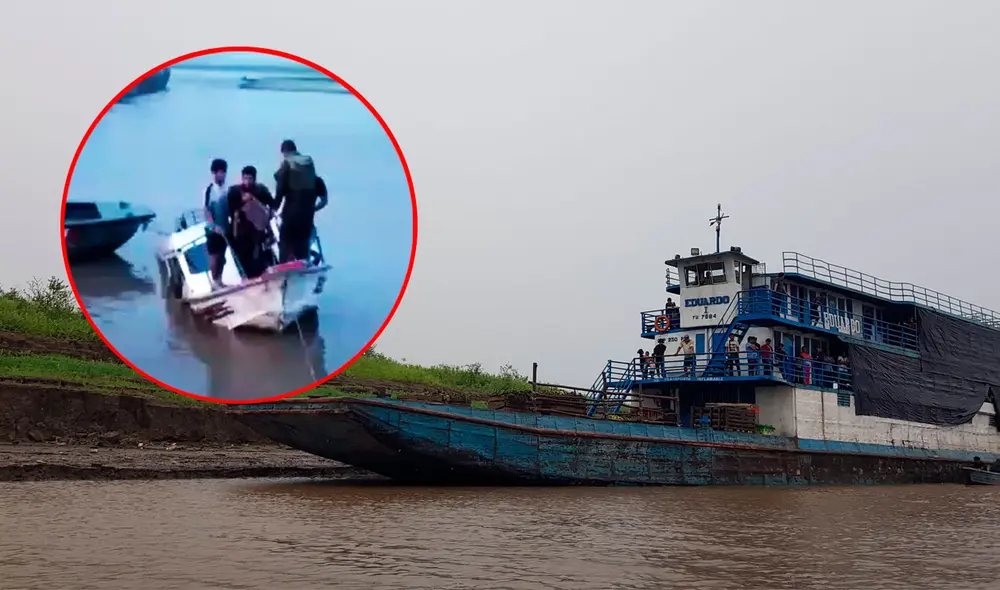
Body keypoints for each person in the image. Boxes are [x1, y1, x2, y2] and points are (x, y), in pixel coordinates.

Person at [273, 139, 324, 262]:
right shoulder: (313, 178)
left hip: (290, 216)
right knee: (302, 247)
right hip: (307, 218)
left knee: (285, 242)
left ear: (284, 152)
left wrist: (273, 209)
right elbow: (324, 201)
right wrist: (313, 209)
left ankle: (285, 270)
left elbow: (279, 193)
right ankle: (304, 265)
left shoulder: (286, 168)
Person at [227, 166, 277, 278]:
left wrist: (269, 214)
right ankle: (250, 278)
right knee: (244, 257)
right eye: (245, 178)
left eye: (250, 178)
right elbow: (230, 209)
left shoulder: (261, 190)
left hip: (258, 230)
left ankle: (264, 275)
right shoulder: (235, 191)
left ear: (254, 179)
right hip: (241, 231)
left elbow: (272, 204)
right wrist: (242, 202)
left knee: (260, 255)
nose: (247, 181)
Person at [203, 158, 230, 286]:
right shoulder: (209, 190)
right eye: (219, 172)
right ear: (214, 173)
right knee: (214, 256)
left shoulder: (227, 190)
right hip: (212, 230)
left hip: (225, 228)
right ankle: (214, 282)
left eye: (224, 172)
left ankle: (220, 280)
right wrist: (213, 226)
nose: (222, 174)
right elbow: (207, 211)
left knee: (222, 257)